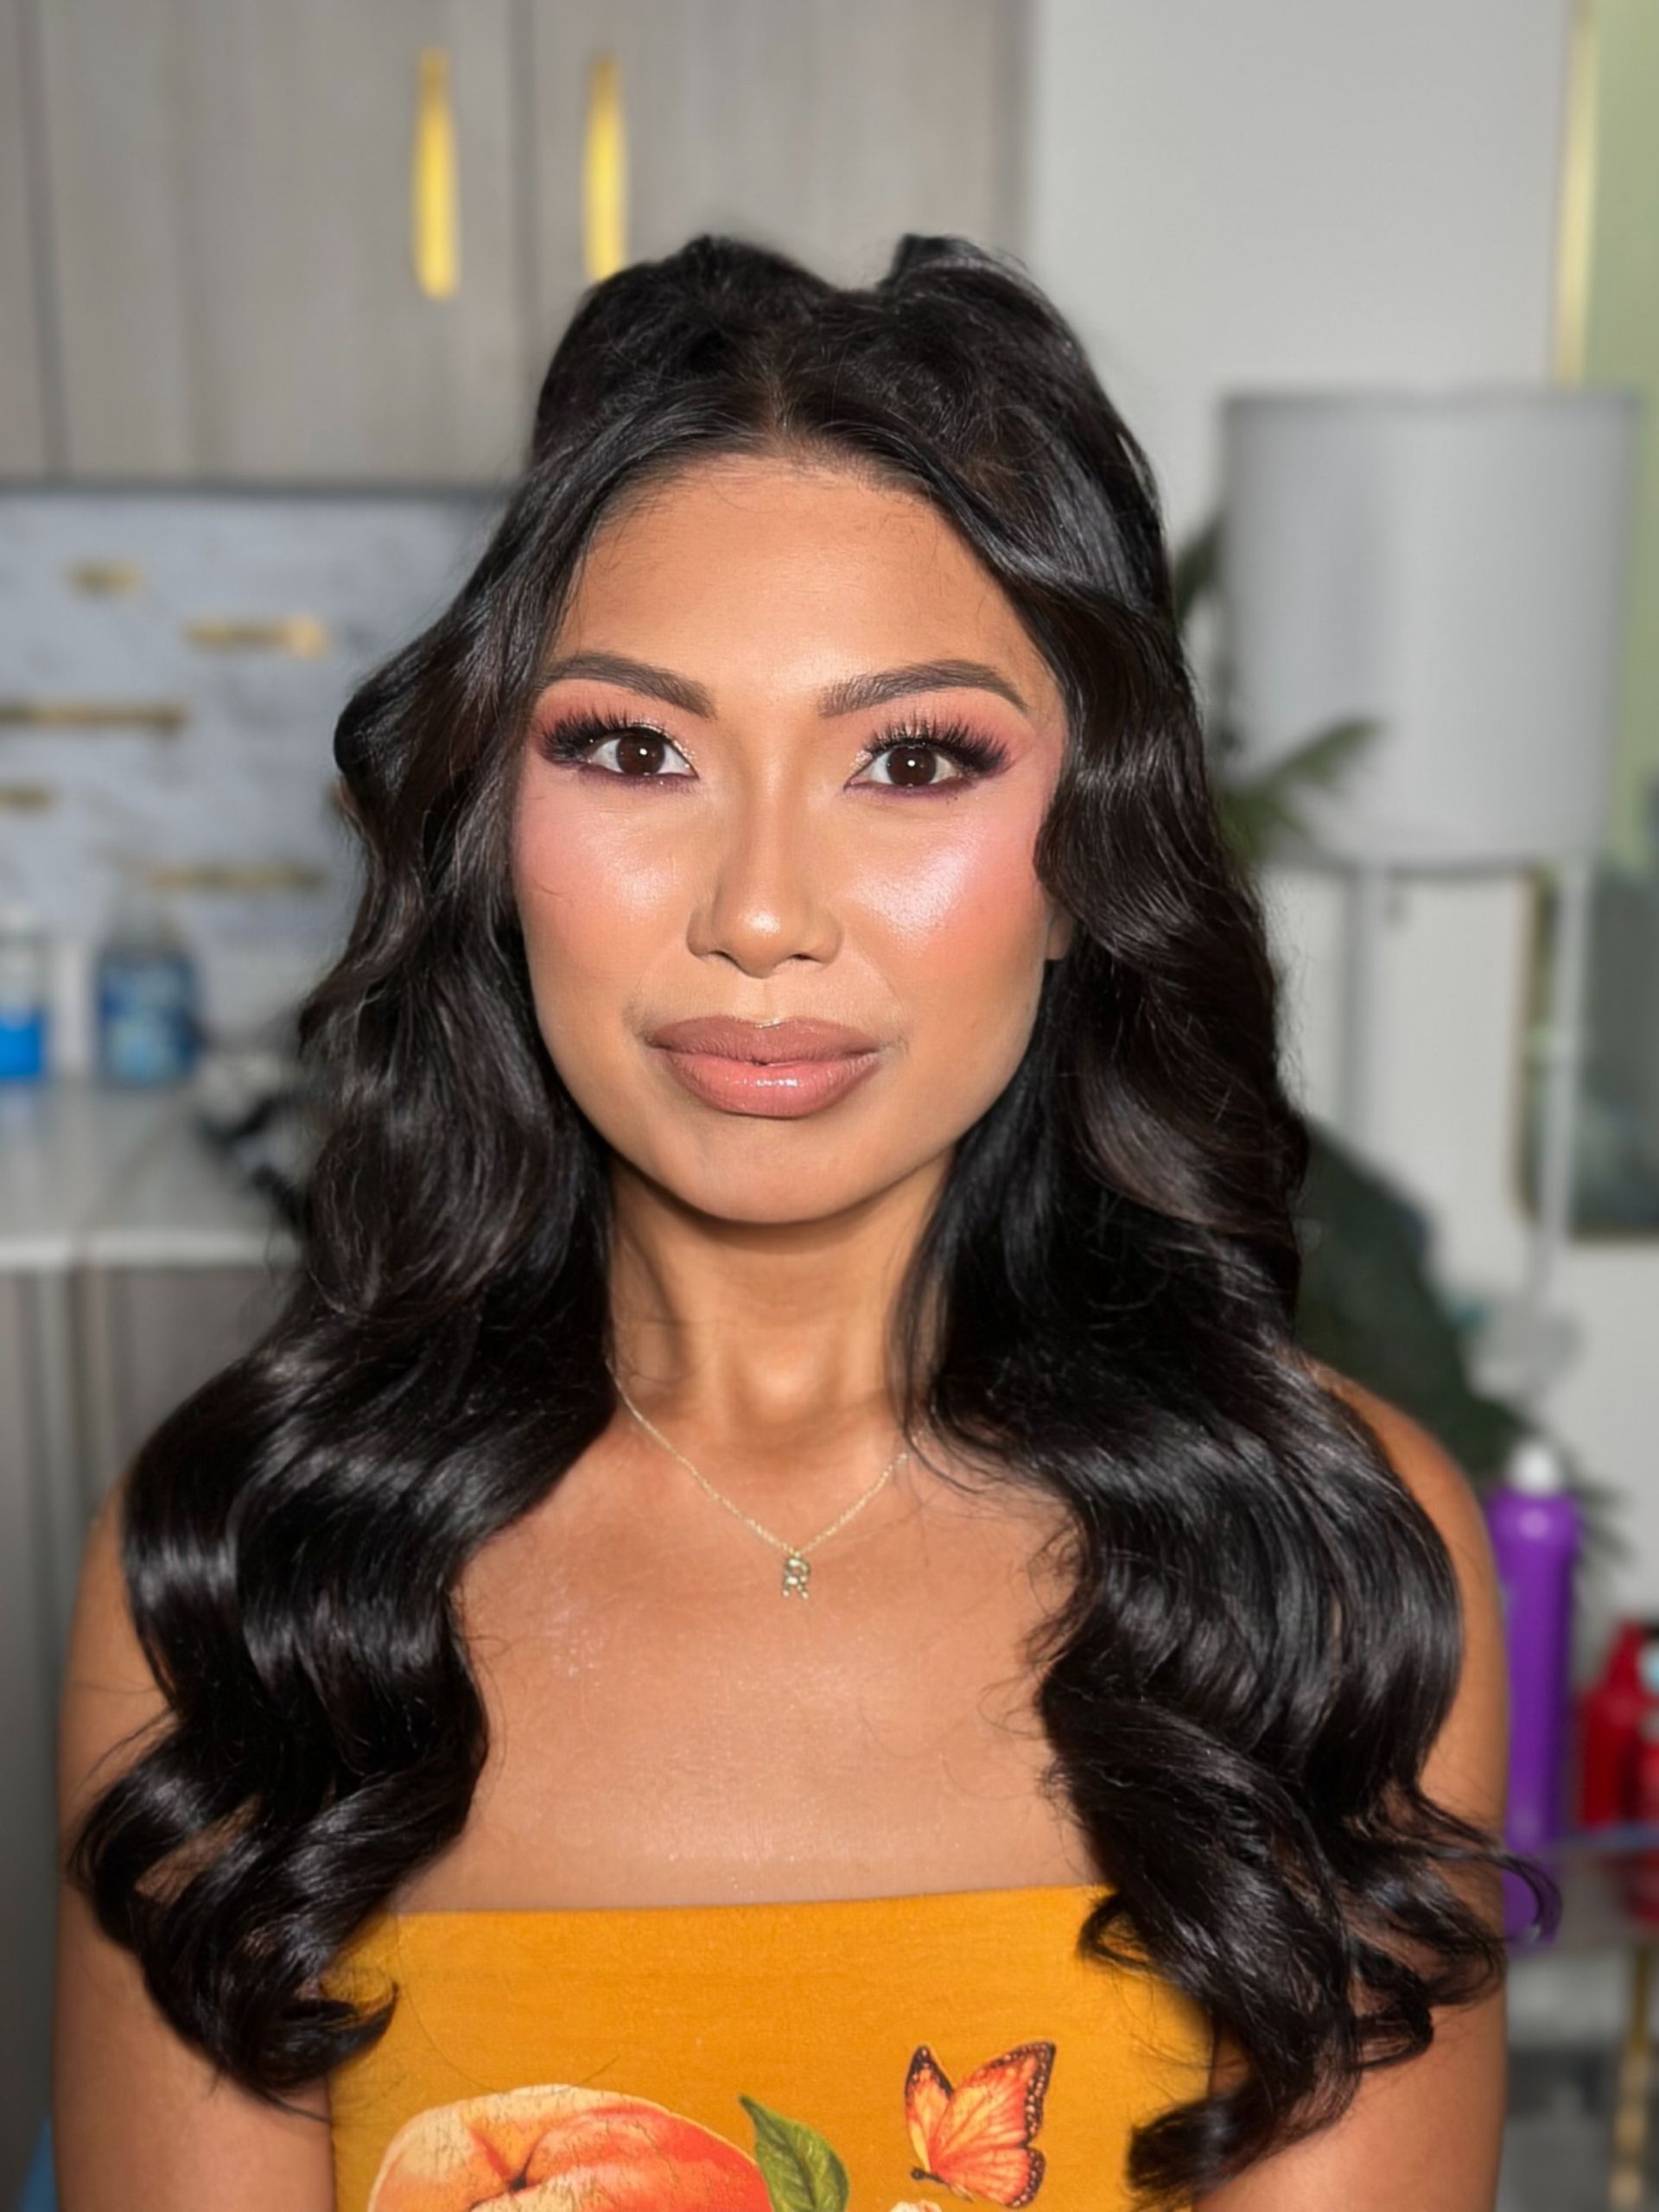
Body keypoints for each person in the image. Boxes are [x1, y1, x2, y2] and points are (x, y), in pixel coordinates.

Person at [52, 232, 1550, 2212]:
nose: (761, 910)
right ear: (494, 821)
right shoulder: (254, 1576)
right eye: (636, 747)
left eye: (912, 759)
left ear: (1088, 855)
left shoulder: (1321, 1575)